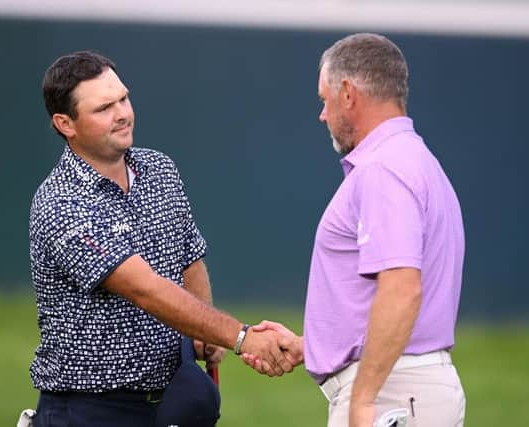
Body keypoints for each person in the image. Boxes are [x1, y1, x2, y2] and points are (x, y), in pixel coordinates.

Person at [29, 50, 293, 427]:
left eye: (123, 98)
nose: (122, 113)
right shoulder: (61, 202)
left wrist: (206, 334)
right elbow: (145, 288)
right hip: (90, 410)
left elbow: (189, 257)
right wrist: (241, 337)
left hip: (173, 398)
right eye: (104, 108)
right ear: (65, 124)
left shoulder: (159, 169)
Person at [244, 33, 466, 427]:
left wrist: (363, 402)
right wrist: (312, 347)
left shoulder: (384, 169)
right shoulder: (411, 159)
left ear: (347, 93)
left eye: (324, 99)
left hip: (392, 393)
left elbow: (401, 287)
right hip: (404, 389)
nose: (322, 115)